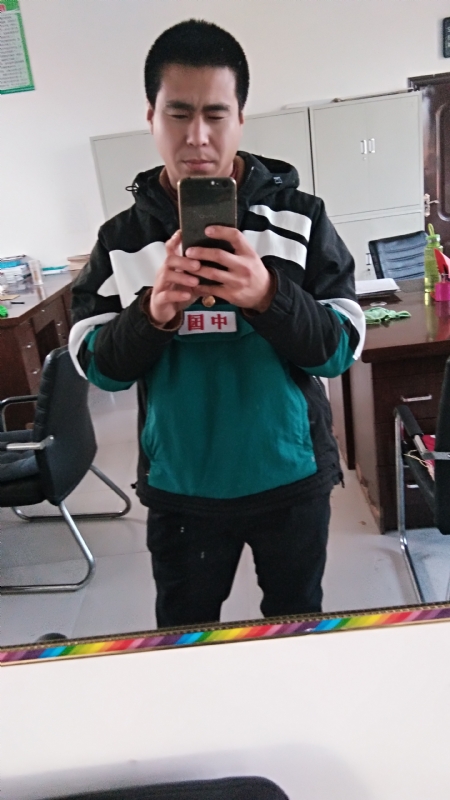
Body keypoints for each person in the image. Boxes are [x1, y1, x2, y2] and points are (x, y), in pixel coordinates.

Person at [69, 19, 365, 628]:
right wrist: (152, 314)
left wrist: (268, 296)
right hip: (183, 489)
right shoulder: (121, 240)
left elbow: (341, 348)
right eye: (178, 114)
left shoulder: (300, 220)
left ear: (241, 118)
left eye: (215, 114)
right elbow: (96, 366)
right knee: (184, 637)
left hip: (290, 478)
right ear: (151, 117)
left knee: (295, 629)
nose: (197, 136)